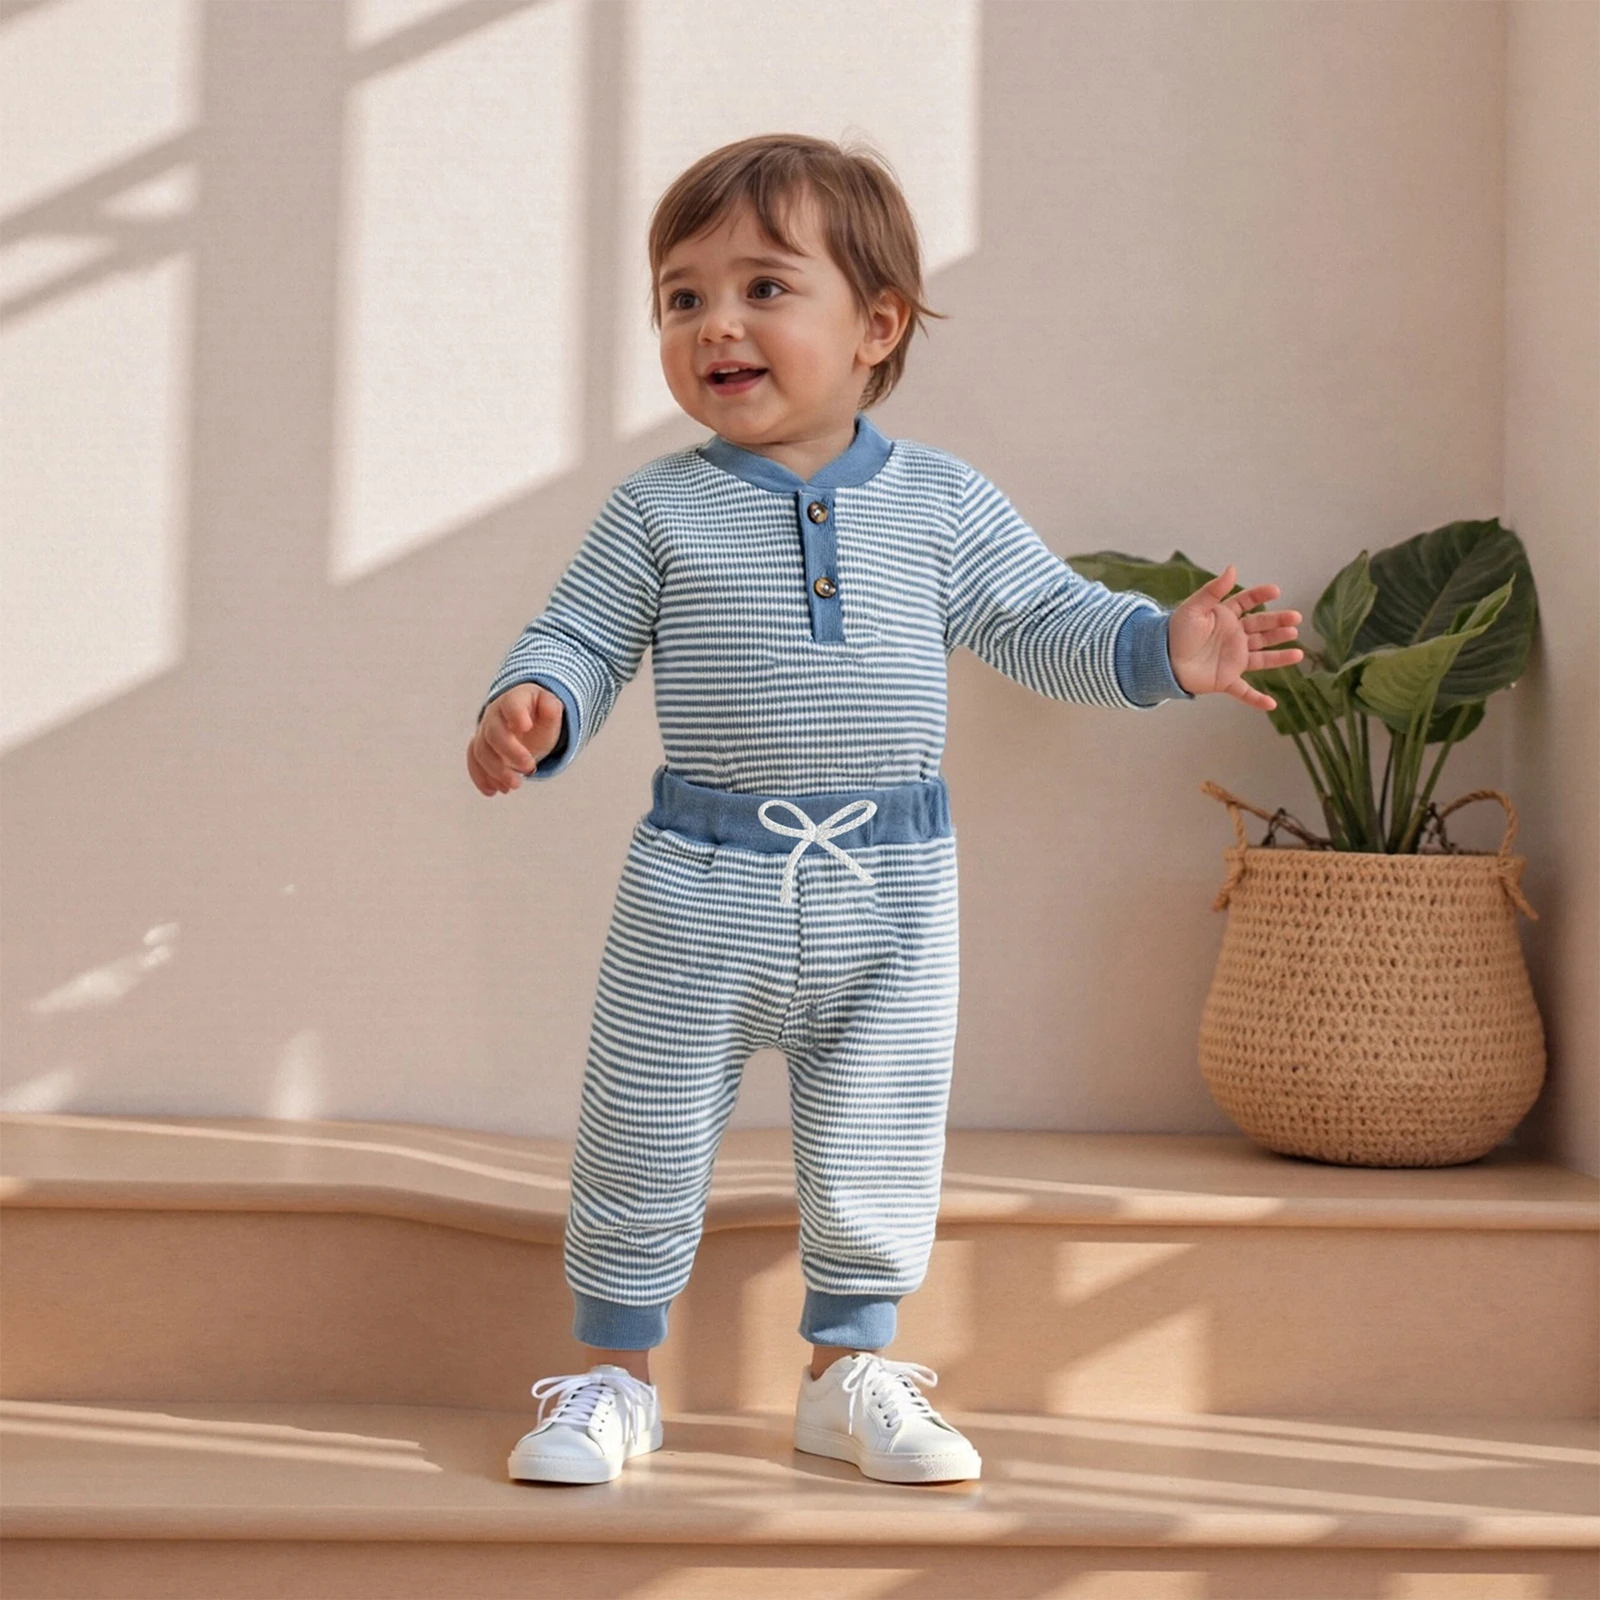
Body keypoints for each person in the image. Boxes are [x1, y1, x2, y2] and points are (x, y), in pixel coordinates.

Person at [468, 134, 1303, 1488]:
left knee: (881, 1134)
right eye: (682, 297)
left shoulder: (941, 504)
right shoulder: (657, 511)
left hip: (890, 890)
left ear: (877, 324)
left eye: (762, 287)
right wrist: (538, 701)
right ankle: (615, 1380)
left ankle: (844, 1376)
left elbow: (1044, 620)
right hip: (695, 887)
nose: (714, 323)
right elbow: (581, 635)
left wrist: (1164, 647)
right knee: (641, 1126)